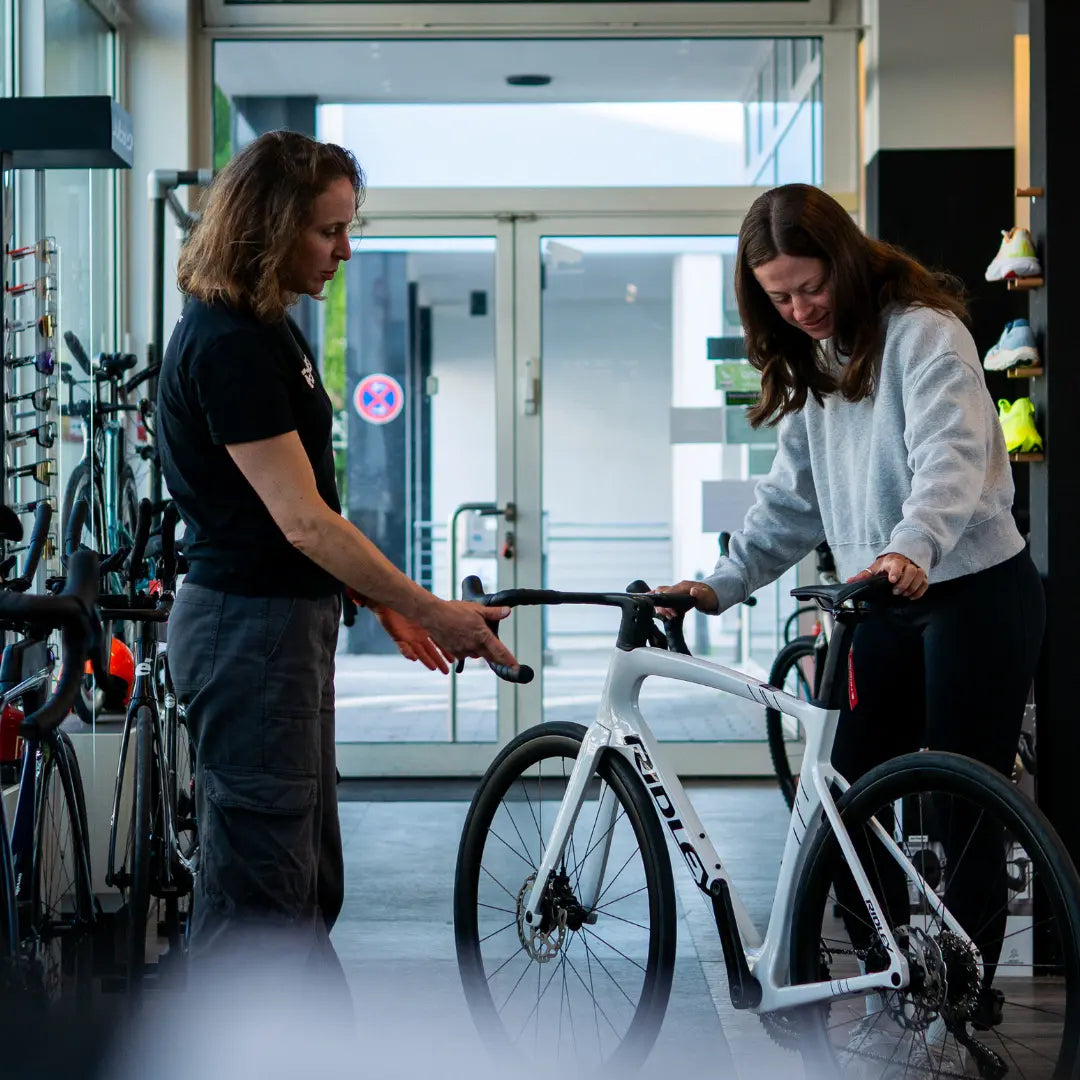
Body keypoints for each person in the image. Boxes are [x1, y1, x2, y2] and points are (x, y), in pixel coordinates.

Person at [657, 183, 1044, 1061]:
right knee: (846, 797)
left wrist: (912, 545)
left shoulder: (925, 333)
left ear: (846, 259)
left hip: (972, 587)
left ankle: (965, 993)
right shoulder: (818, 359)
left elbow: (951, 455)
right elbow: (790, 501)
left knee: (959, 799)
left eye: (811, 286)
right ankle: (884, 973)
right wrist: (720, 585)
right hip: (878, 596)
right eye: (780, 298)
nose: (801, 309)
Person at [156, 130, 519, 987]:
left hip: (277, 629)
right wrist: (430, 609)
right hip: (249, 633)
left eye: (347, 228)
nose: (344, 251)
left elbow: (309, 507)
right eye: (329, 231)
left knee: (301, 886)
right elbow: (303, 523)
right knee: (263, 906)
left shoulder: (267, 330)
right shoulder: (230, 344)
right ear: (268, 227)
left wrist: (383, 599)